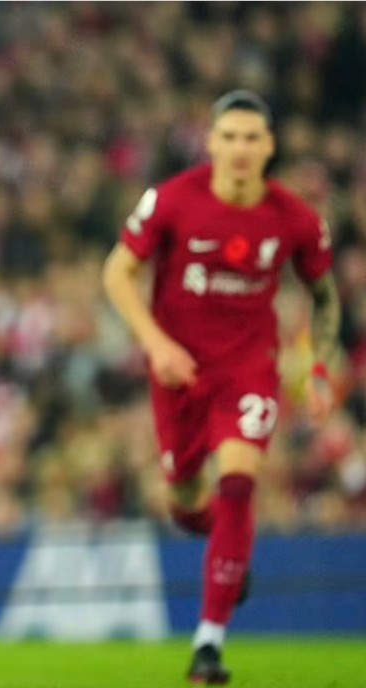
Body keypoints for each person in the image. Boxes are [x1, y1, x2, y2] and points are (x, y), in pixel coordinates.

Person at [102, 90, 340, 685]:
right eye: (229, 137)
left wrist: (317, 366)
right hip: (179, 371)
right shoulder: (172, 200)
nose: (239, 149)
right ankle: (227, 551)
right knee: (185, 502)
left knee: (237, 483)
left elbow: (325, 293)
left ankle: (208, 644)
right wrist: (156, 344)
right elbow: (117, 272)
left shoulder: (295, 218)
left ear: (269, 146)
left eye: (251, 138)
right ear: (210, 142)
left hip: (248, 370)